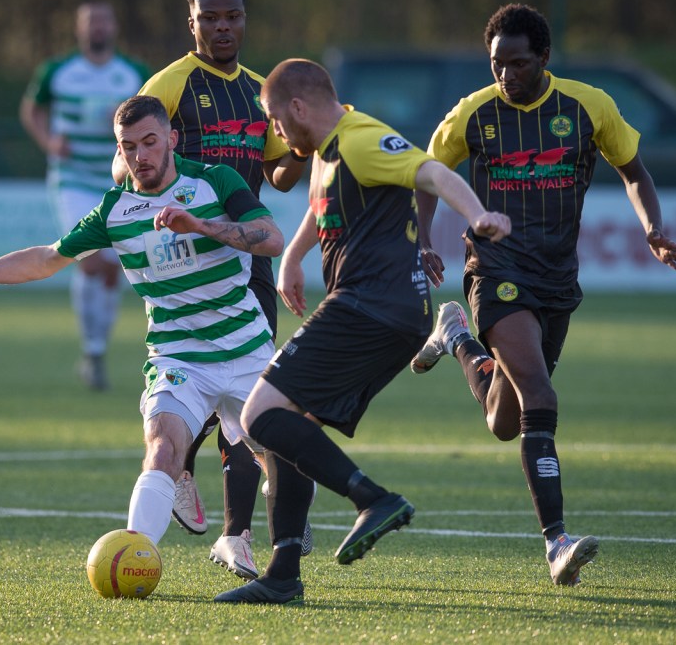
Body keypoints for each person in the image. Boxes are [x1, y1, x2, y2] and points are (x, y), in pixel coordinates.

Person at [0, 95, 284, 576]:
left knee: (287, 457)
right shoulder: (115, 211)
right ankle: (134, 558)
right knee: (162, 447)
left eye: (150, 142)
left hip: (247, 350)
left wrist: (202, 226)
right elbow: (48, 257)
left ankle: (280, 540)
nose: (141, 156)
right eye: (129, 146)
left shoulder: (215, 181)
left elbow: (270, 237)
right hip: (180, 359)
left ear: (172, 140)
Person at [411, 3, 676, 587]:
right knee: (541, 395)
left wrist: (652, 229)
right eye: (496, 65)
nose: (506, 76)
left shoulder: (588, 107)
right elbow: (427, 173)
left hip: (556, 278)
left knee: (506, 421)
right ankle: (556, 543)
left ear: (544, 58)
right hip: (495, 269)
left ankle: (455, 334)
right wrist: (421, 240)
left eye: (518, 63)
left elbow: (634, 171)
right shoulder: (474, 114)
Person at [213, 58, 512, 604]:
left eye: (276, 122)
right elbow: (316, 208)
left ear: (298, 109)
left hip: (370, 306)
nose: (276, 135)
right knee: (287, 422)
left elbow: (433, 172)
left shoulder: (361, 137)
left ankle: (371, 498)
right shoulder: (331, 151)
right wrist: (292, 260)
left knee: (258, 416)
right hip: (383, 311)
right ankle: (282, 574)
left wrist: (478, 215)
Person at [113, 0, 309, 581]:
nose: (224, 27)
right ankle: (178, 472)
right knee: (202, 382)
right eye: (211, 18)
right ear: (192, 24)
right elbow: (128, 161)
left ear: (244, 21)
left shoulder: (259, 90)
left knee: (253, 405)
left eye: (233, 17)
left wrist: (301, 149)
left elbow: (276, 177)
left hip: (246, 254)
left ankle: (234, 536)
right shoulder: (170, 85)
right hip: (187, 260)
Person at [20, 1, 151, 391]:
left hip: (118, 183)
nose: (97, 27)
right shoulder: (58, 72)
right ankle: (92, 351)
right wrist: (48, 141)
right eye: (91, 21)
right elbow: (31, 110)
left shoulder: (133, 73)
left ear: (113, 26)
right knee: (89, 258)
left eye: (104, 20)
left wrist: (126, 115)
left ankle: (96, 352)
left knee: (113, 268)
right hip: (72, 179)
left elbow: (157, 115)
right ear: (80, 29)